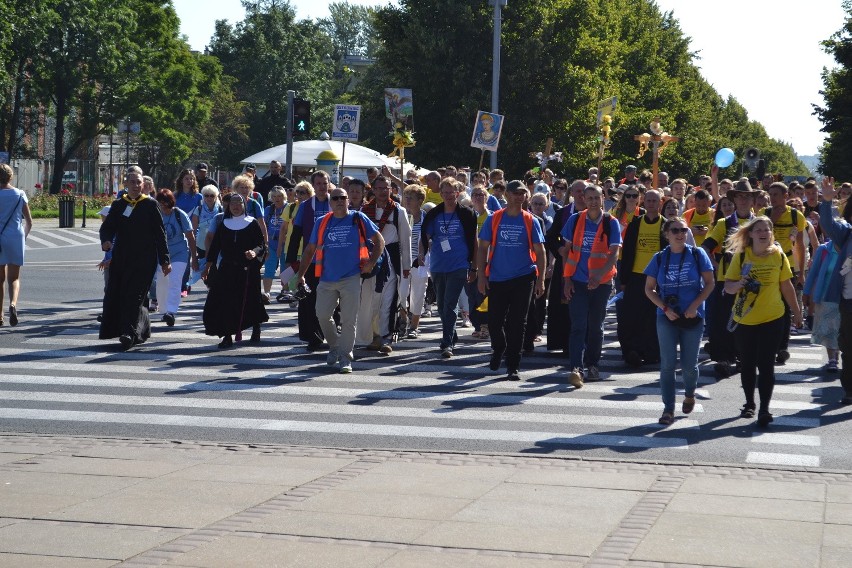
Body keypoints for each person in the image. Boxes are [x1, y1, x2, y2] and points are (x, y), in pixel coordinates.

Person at [296, 188, 385, 373]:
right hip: (327, 278)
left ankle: (345, 357)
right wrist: (301, 274)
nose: (339, 201)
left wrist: (371, 263)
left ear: (347, 201)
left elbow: (379, 241)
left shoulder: (358, 218)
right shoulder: (322, 222)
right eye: (335, 198)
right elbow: (310, 249)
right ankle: (335, 346)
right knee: (321, 314)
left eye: (342, 198)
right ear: (330, 202)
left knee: (348, 320)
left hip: (351, 277)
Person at [724, 216, 802, 426]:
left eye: (767, 229)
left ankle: (765, 410)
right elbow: (727, 288)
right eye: (758, 229)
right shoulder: (741, 256)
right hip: (745, 319)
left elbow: (786, 286)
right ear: (750, 234)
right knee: (747, 363)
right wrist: (739, 283)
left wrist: (797, 312)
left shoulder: (778, 255)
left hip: (772, 317)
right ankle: (750, 404)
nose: (763, 233)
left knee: (767, 365)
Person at [644, 217, 715, 425]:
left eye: (683, 230)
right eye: (675, 230)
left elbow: (710, 283)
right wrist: (664, 308)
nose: (680, 233)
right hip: (667, 317)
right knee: (667, 364)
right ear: (667, 234)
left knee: (689, 366)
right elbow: (648, 289)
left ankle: (690, 394)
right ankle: (668, 409)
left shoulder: (697, 253)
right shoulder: (659, 258)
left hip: (692, 316)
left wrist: (695, 305)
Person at [477, 180, 546, 379]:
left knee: (518, 322)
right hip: (498, 277)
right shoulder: (495, 218)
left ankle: (513, 365)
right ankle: (499, 347)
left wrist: (540, 280)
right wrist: (481, 275)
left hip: (523, 278)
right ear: (506, 195)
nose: (519, 197)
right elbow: (482, 248)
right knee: (494, 321)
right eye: (515, 193)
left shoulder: (530, 220)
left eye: (522, 193)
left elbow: (540, 252)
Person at [99, 171, 171, 349]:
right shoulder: (119, 205)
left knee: (135, 295)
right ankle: (141, 328)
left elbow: (160, 234)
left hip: (144, 258)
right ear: (126, 184)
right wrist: (106, 241)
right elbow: (107, 228)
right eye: (132, 182)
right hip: (122, 257)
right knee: (121, 294)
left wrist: (165, 260)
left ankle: (128, 333)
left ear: (143, 185)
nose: (136, 185)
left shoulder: (150, 204)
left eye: (138, 182)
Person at [560, 185, 622, 387]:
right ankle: (576, 367)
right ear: (584, 200)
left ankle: (593, 364)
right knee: (578, 326)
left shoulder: (610, 222)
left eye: (597, 197)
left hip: (601, 283)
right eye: (590, 198)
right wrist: (567, 280)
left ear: (603, 199)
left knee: (596, 326)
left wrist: (600, 275)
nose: (594, 201)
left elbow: (614, 253)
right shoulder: (575, 219)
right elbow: (566, 252)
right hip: (577, 281)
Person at [701, 180, 758, 377]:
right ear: (734, 199)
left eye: (747, 196)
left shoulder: (759, 224)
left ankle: (745, 357)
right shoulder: (724, 223)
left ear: (752, 200)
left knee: (748, 321)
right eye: (739, 196)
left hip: (752, 281)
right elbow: (705, 248)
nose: (743, 199)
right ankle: (724, 358)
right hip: (727, 281)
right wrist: (716, 266)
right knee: (723, 321)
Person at [420, 178, 478, 358]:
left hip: (459, 264)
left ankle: (446, 343)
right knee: (442, 305)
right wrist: (421, 254)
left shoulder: (466, 213)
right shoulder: (434, 214)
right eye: (444, 192)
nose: (447, 196)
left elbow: (474, 241)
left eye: (451, 192)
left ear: (458, 193)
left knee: (450, 303)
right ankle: (451, 335)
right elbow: (425, 235)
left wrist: (474, 267)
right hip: (438, 265)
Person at [201, 193, 268, 348]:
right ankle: (227, 335)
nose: (236, 206)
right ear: (228, 207)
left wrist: (254, 252)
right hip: (227, 268)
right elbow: (215, 247)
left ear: (244, 205)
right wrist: (208, 266)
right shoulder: (224, 224)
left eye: (239, 203)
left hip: (248, 269)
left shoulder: (252, 223)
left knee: (251, 300)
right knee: (225, 302)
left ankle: (256, 327)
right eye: (233, 204)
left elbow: (261, 244)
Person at [356, 175, 412, 352]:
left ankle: (386, 337)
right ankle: (372, 336)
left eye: (385, 188)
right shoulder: (364, 211)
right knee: (369, 299)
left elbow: (406, 240)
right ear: (373, 189)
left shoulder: (398, 211)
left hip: (391, 259)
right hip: (370, 258)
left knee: (388, 300)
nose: (382, 192)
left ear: (391, 189)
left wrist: (406, 267)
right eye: (378, 188)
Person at [618, 189, 665, 366]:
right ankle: (632, 351)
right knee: (632, 317)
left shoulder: (666, 225)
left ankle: (652, 352)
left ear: (660, 203)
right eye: (649, 200)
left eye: (655, 201)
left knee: (653, 318)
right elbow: (628, 251)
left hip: (658, 279)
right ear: (644, 202)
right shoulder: (636, 223)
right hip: (636, 276)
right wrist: (624, 280)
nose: (652, 204)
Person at [286, 171, 332, 351]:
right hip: (310, 261)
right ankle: (313, 336)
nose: (321, 186)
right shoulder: (305, 206)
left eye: (324, 183)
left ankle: (330, 334)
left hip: (332, 261)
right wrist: (290, 260)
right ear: (314, 186)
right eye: (318, 183)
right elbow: (296, 233)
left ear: (329, 184)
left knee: (331, 299)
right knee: (309, 299)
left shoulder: (337, 202)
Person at [817, 178, 852, 403]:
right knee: (848, 347)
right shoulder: (847, 232)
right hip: (849, 300)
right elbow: (828, 225)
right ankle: (849, 390)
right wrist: (828, 201)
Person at [154, 189, 196, 326]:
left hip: (180, 253)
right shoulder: (156, 214)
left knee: (174, 280)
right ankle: (164, 310)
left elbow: (190, 237)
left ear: (170, 201)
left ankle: (171, 312)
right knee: (161, 282)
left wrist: (194, 258)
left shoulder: (179, 214)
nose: (163, 205)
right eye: (160, 203)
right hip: (162, 254)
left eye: (165, 202)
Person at [0, 164, 33, 326]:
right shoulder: (20, 194)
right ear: (11, 177)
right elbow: (29, 222)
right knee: (14, 277)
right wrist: (23, 237)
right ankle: (13, 305)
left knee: (0, 279)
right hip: (15, 237)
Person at [803, 239, 841, 372]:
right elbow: (813, 273)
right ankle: (833, 359)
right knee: (829, 328)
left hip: (845, 296)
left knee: (841, 329)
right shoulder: (824, 249)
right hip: (825, 296)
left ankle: (837, 356)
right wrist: (806, 292)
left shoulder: (849, 248)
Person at [399, 184, 429, 338]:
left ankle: (414, 326)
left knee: (418, 294)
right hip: (403, 261)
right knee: (402, 293)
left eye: (411, 198)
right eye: (406, 197)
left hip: (420, 262)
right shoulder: (401, 216)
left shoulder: (427, 218)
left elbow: (430, 238)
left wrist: (424, 251)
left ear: (420, 200)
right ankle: (403, 319)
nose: (408, 200)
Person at [276, 181, 310, 303]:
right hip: (291, 247)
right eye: (298, 192)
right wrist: (280, 246)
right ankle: (291, 294)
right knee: (288, 274)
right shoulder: (290, 207)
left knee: (300, 275)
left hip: (307, 248)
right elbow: (283, 228)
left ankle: (296, 296)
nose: (299, 195)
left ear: (309, 194)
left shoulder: (310, 207)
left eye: (303, 192)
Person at [262, 186, 288, 303]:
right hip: (271, 244)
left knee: (285, 269)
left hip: (285, 245)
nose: (277, 199)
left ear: (284, 197)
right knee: (269, 269)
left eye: (280, 196)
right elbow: (264, 226)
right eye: (274, 196)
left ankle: (285, 292)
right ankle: (266, 293)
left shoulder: (289, 208)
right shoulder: (269, 209)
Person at [191, 185, 222, 282]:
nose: (209, 198)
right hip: (201, 245)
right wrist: (194, 250)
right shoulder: (198, 209)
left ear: (216, 196)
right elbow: (193, 229)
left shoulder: (221, 209)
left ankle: (214, 289)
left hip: (217, 244)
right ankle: (210, 287)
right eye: (206, 195)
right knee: (205, 269)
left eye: (212, 195)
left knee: (216, 269)